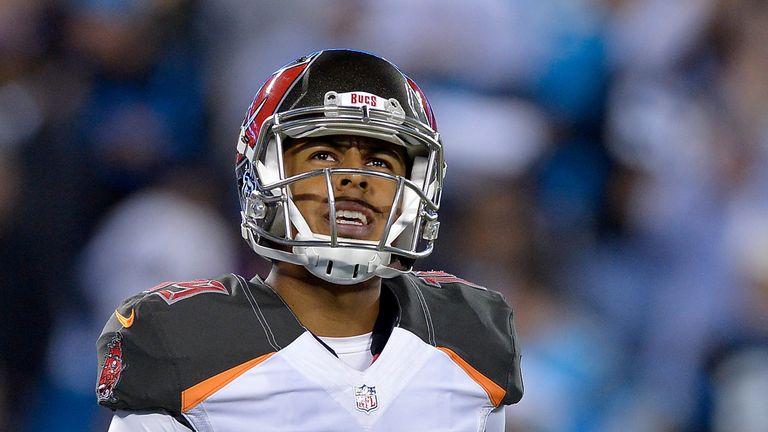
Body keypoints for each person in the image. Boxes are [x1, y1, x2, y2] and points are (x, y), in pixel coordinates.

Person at [95, 49, 523, 431]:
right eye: (324, 155)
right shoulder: (184, 345)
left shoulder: (470, 340)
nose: (356, 177)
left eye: (379, 159)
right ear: (264, 173)